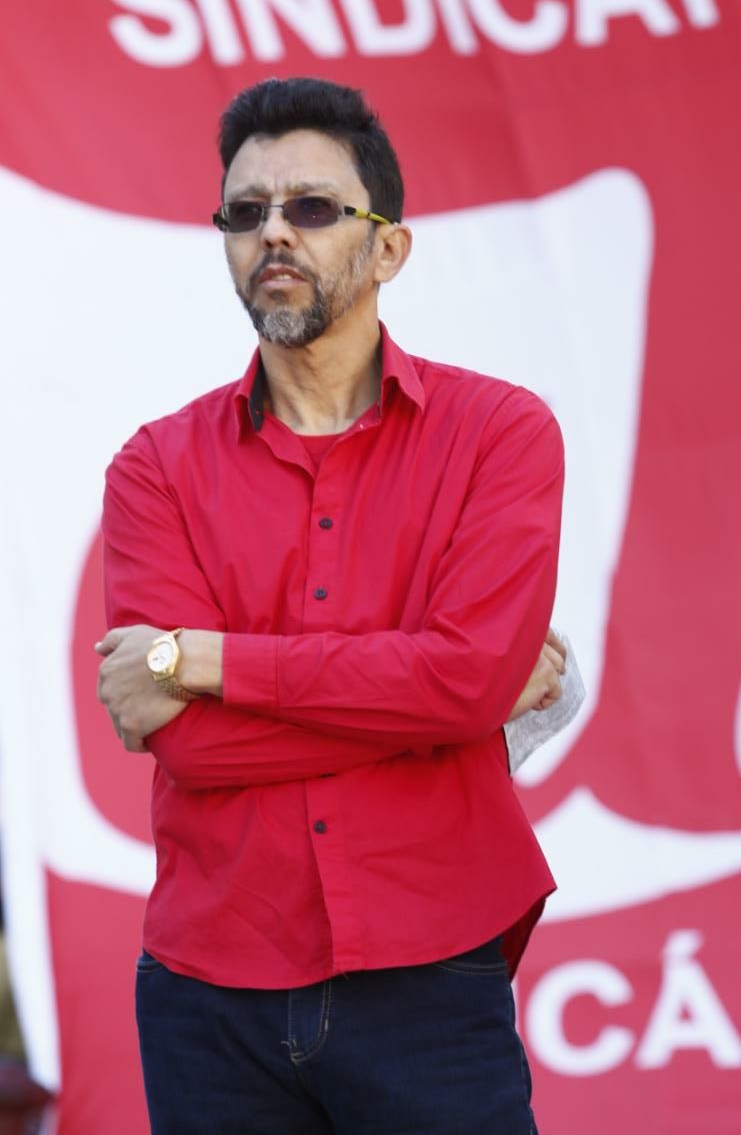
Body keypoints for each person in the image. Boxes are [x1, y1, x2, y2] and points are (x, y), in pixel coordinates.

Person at [96, 76, 566, 1134]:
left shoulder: (499, 434)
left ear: (388, 247)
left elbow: (463, 684)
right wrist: (434, 696)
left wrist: (202, 660)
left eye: (311, 207)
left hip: (429, 974)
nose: (274, 232)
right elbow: (191, 748)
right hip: (209, 993)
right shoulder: (155, 467)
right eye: (245, 212)